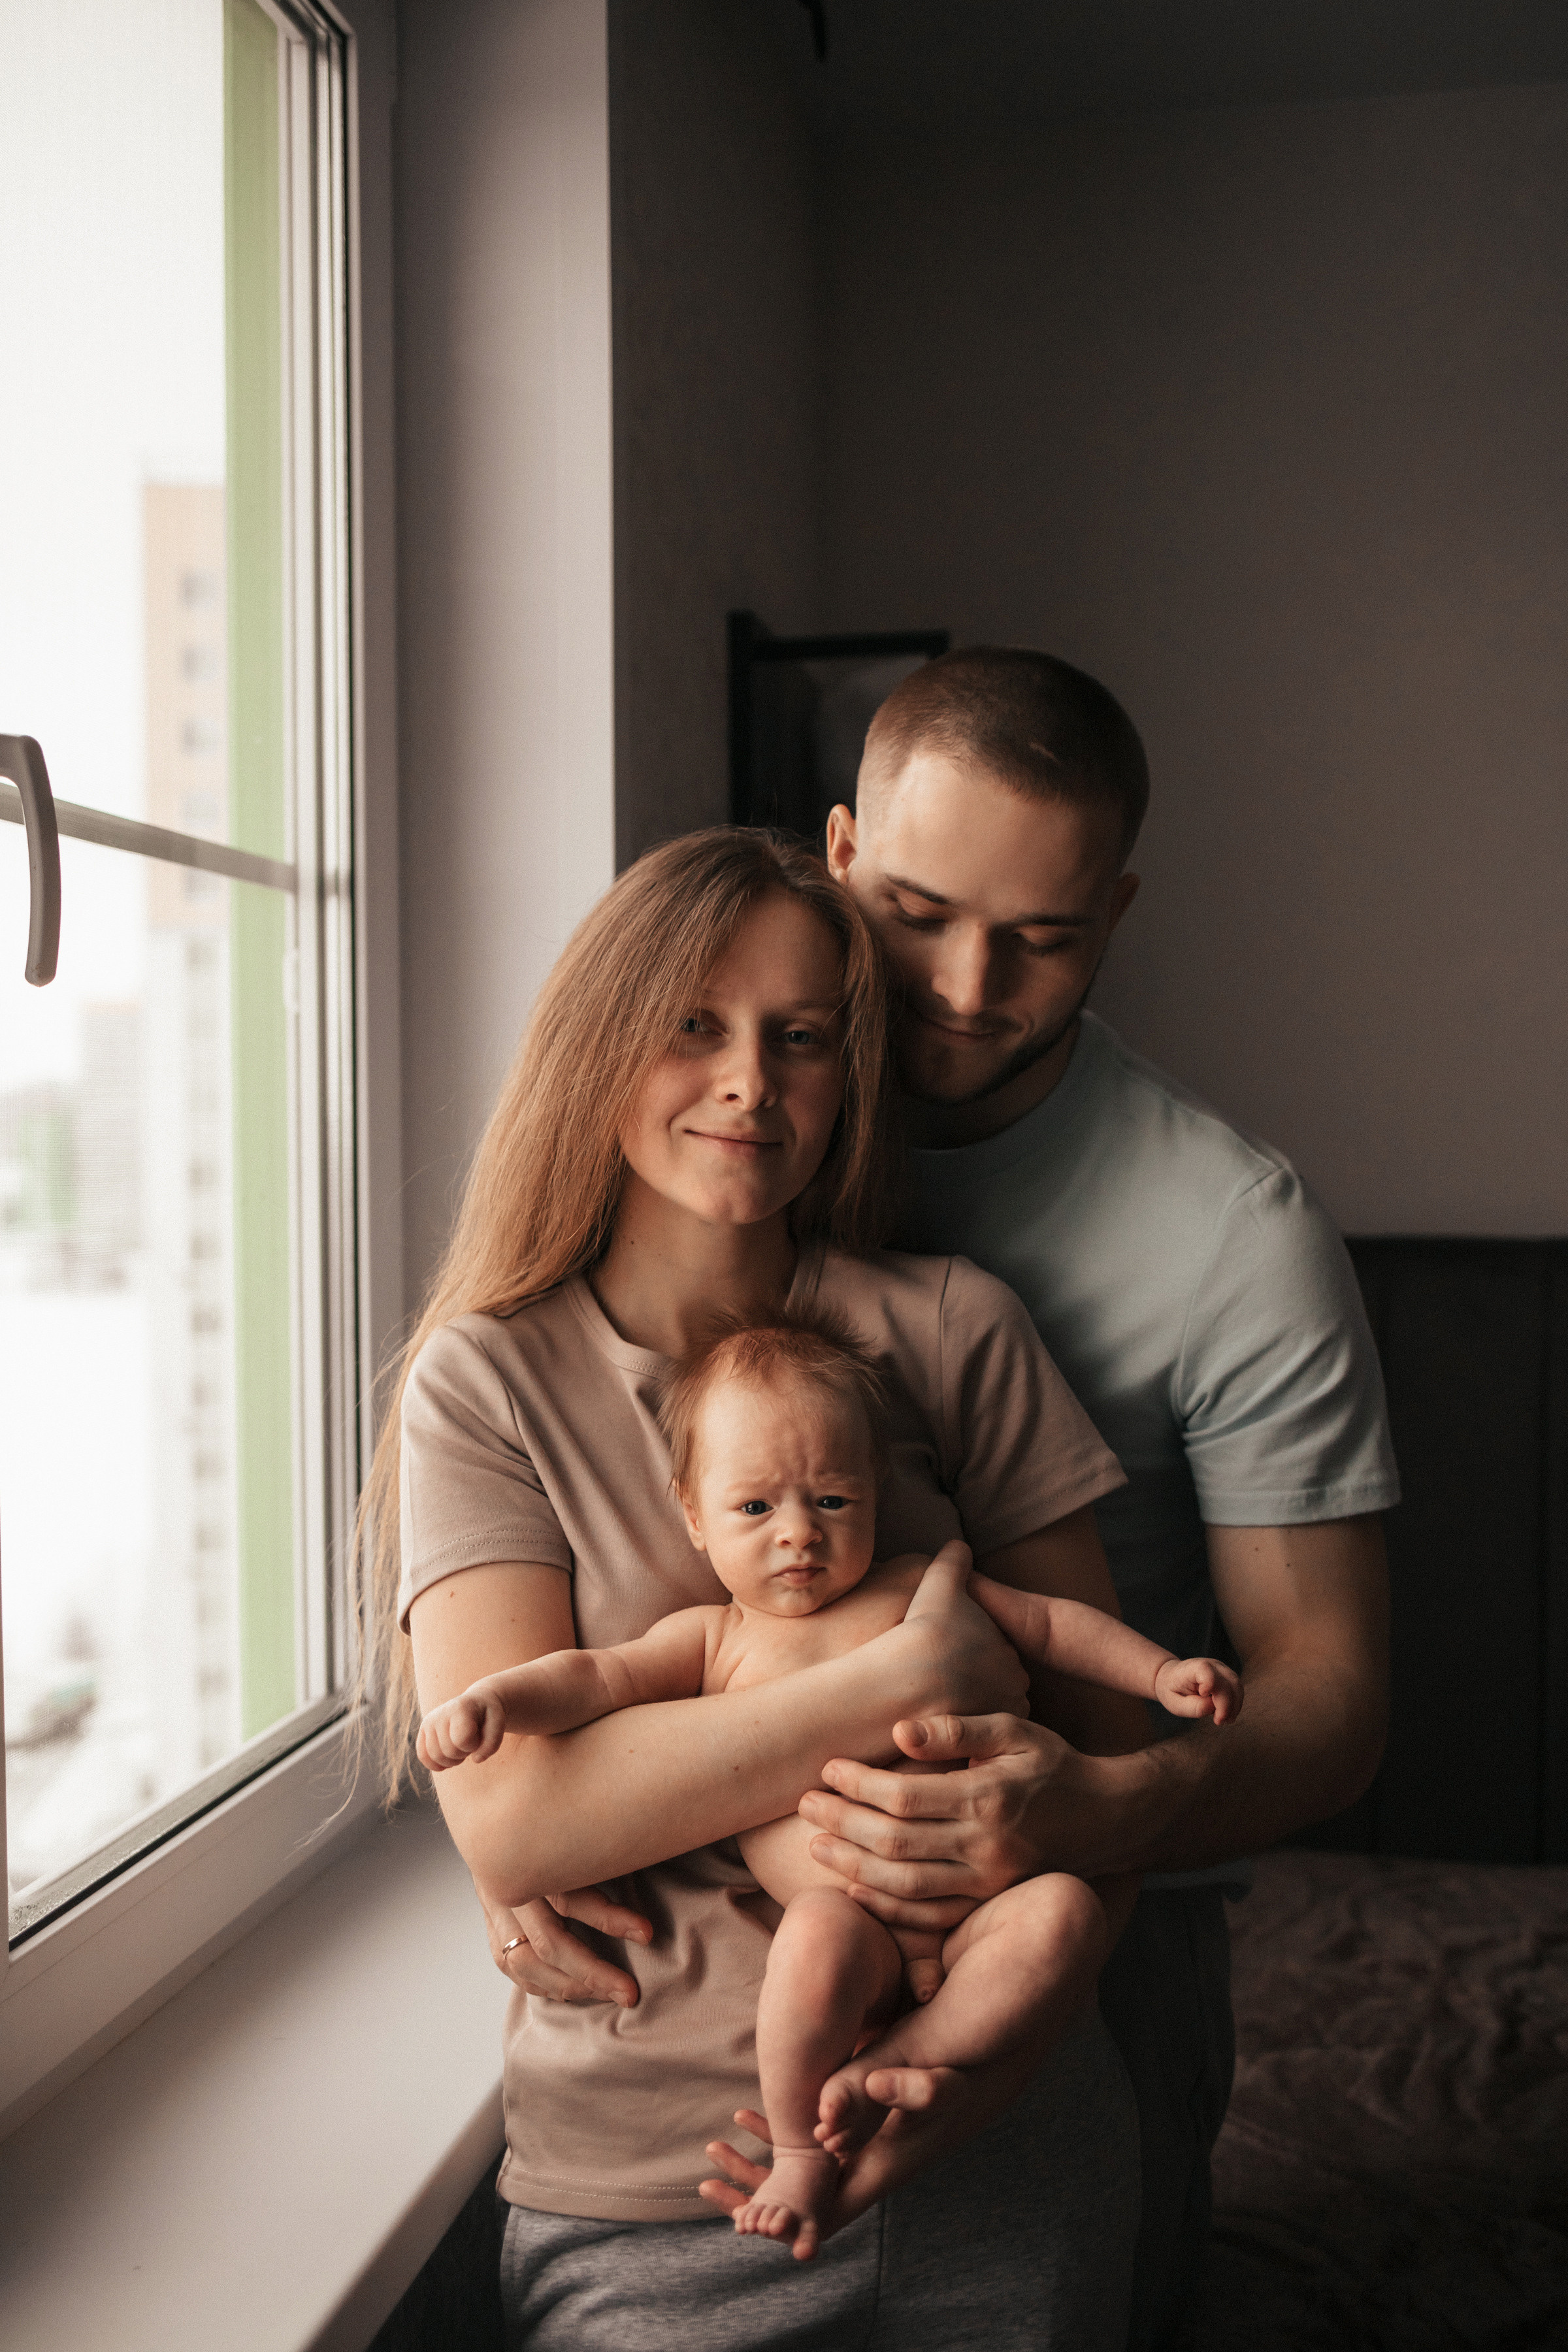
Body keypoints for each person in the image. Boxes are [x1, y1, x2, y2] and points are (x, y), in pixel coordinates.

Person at [361, 828, 1148, 2351]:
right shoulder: (488, 1383)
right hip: (657, 2195)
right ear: (600, 1043)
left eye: (803, 1039)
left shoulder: (951, 1328)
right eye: (693, 1026)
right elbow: (523, 1814)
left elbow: (1107, 1783)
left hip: (1002, 2150)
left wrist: (1007, 2039)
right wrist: (901, 1680)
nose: (750, 1083)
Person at [802, 645, 1399, 2347]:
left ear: (1116, 910)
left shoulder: (1235, 1232)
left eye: (1041, 936)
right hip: (742, 1912)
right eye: (918, 912)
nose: (967, 984)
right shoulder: (723, 1125)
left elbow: (1334, 1699)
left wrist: (1091, 1813)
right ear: (840, 852)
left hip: (1106, 1945)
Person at [415, 1307, 1244, 2264]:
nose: (799, 1536)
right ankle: (802, 2147)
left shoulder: (916, 1586)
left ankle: (909, 2060)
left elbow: (1055, 1628)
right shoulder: (713, 1637)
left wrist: (1158, 1676)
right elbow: (594, 1680)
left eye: (833, 1502)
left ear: (876, 1498)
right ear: (692, 1512)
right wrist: (493, 1702)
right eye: (756, 1509)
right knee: (806, 1950)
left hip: (982, 1912)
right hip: (848, 1924)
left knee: (1064, 1918)